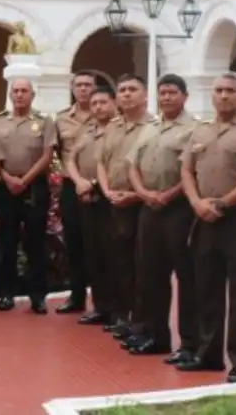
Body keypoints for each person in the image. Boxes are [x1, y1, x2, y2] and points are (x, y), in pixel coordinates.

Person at [179, 72, 236, 383]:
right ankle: (207, 355)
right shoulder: (200, 130)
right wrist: (198, 202)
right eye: (219, 90)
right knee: (206, 288)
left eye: (230, 91)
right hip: (203, 216)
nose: (223, 96)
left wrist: (223, 202)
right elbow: (186, 170)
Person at [126, 74, 198, 362]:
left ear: (185, 95)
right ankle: (156, 337)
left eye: (172, 92)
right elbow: (132, 164)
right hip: (149, 208)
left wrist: (167, 195)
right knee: (150, 275)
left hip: (177, 209)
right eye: (163, 92)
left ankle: (190, 343)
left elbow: (191, 171)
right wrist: (144, 193)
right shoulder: (150, 128)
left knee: (186, 276)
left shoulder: (194, 129)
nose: (167, 97)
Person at [0, 78, 55, 314]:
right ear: (10, 94)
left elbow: (47, 155)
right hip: (6, 187)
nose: (19, 95)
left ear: (32, 95)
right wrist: (8, 178)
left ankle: (37, 296)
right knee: (7, 242)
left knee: (35, 244)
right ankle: (6, 294)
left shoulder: (44, 122)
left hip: (34, 187)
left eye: (24, 91)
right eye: (15, 91)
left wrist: (25, 180)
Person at [96, 74, 151, 344]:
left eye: (132, 89)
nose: (126, 94)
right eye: (122, 90)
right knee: (119, 262)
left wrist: (134, 194)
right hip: (114, 202)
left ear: (145, 95)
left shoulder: (152, 127)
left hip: (140, 204)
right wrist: (106, 191)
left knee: (142, 266)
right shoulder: (113, 127)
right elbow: (101, 163)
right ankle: (124, 315)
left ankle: (141, 320)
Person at [65, 87, 117, 327]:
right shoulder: (87, 130)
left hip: (110, 196)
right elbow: (70, 158)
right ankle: (100, 306)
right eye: (94, 103)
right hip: (85, 194)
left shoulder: (119, 129)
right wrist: (78, 182)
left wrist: (94, 184)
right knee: (93, 253)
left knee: (113, 255)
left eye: (103, 102)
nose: (97, 107)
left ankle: (118, 310)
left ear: (113, 103)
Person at [54, 71, 96, 315]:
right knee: (74, 242)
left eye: (88, 85)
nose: (83, 89)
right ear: (72, 88)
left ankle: (103, 300)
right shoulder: (61, 119)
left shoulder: (107, 115)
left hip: (98, 187)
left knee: (99, 244)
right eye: (79, 85)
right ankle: (76, 296)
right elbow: (57, 153)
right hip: (71, 186)